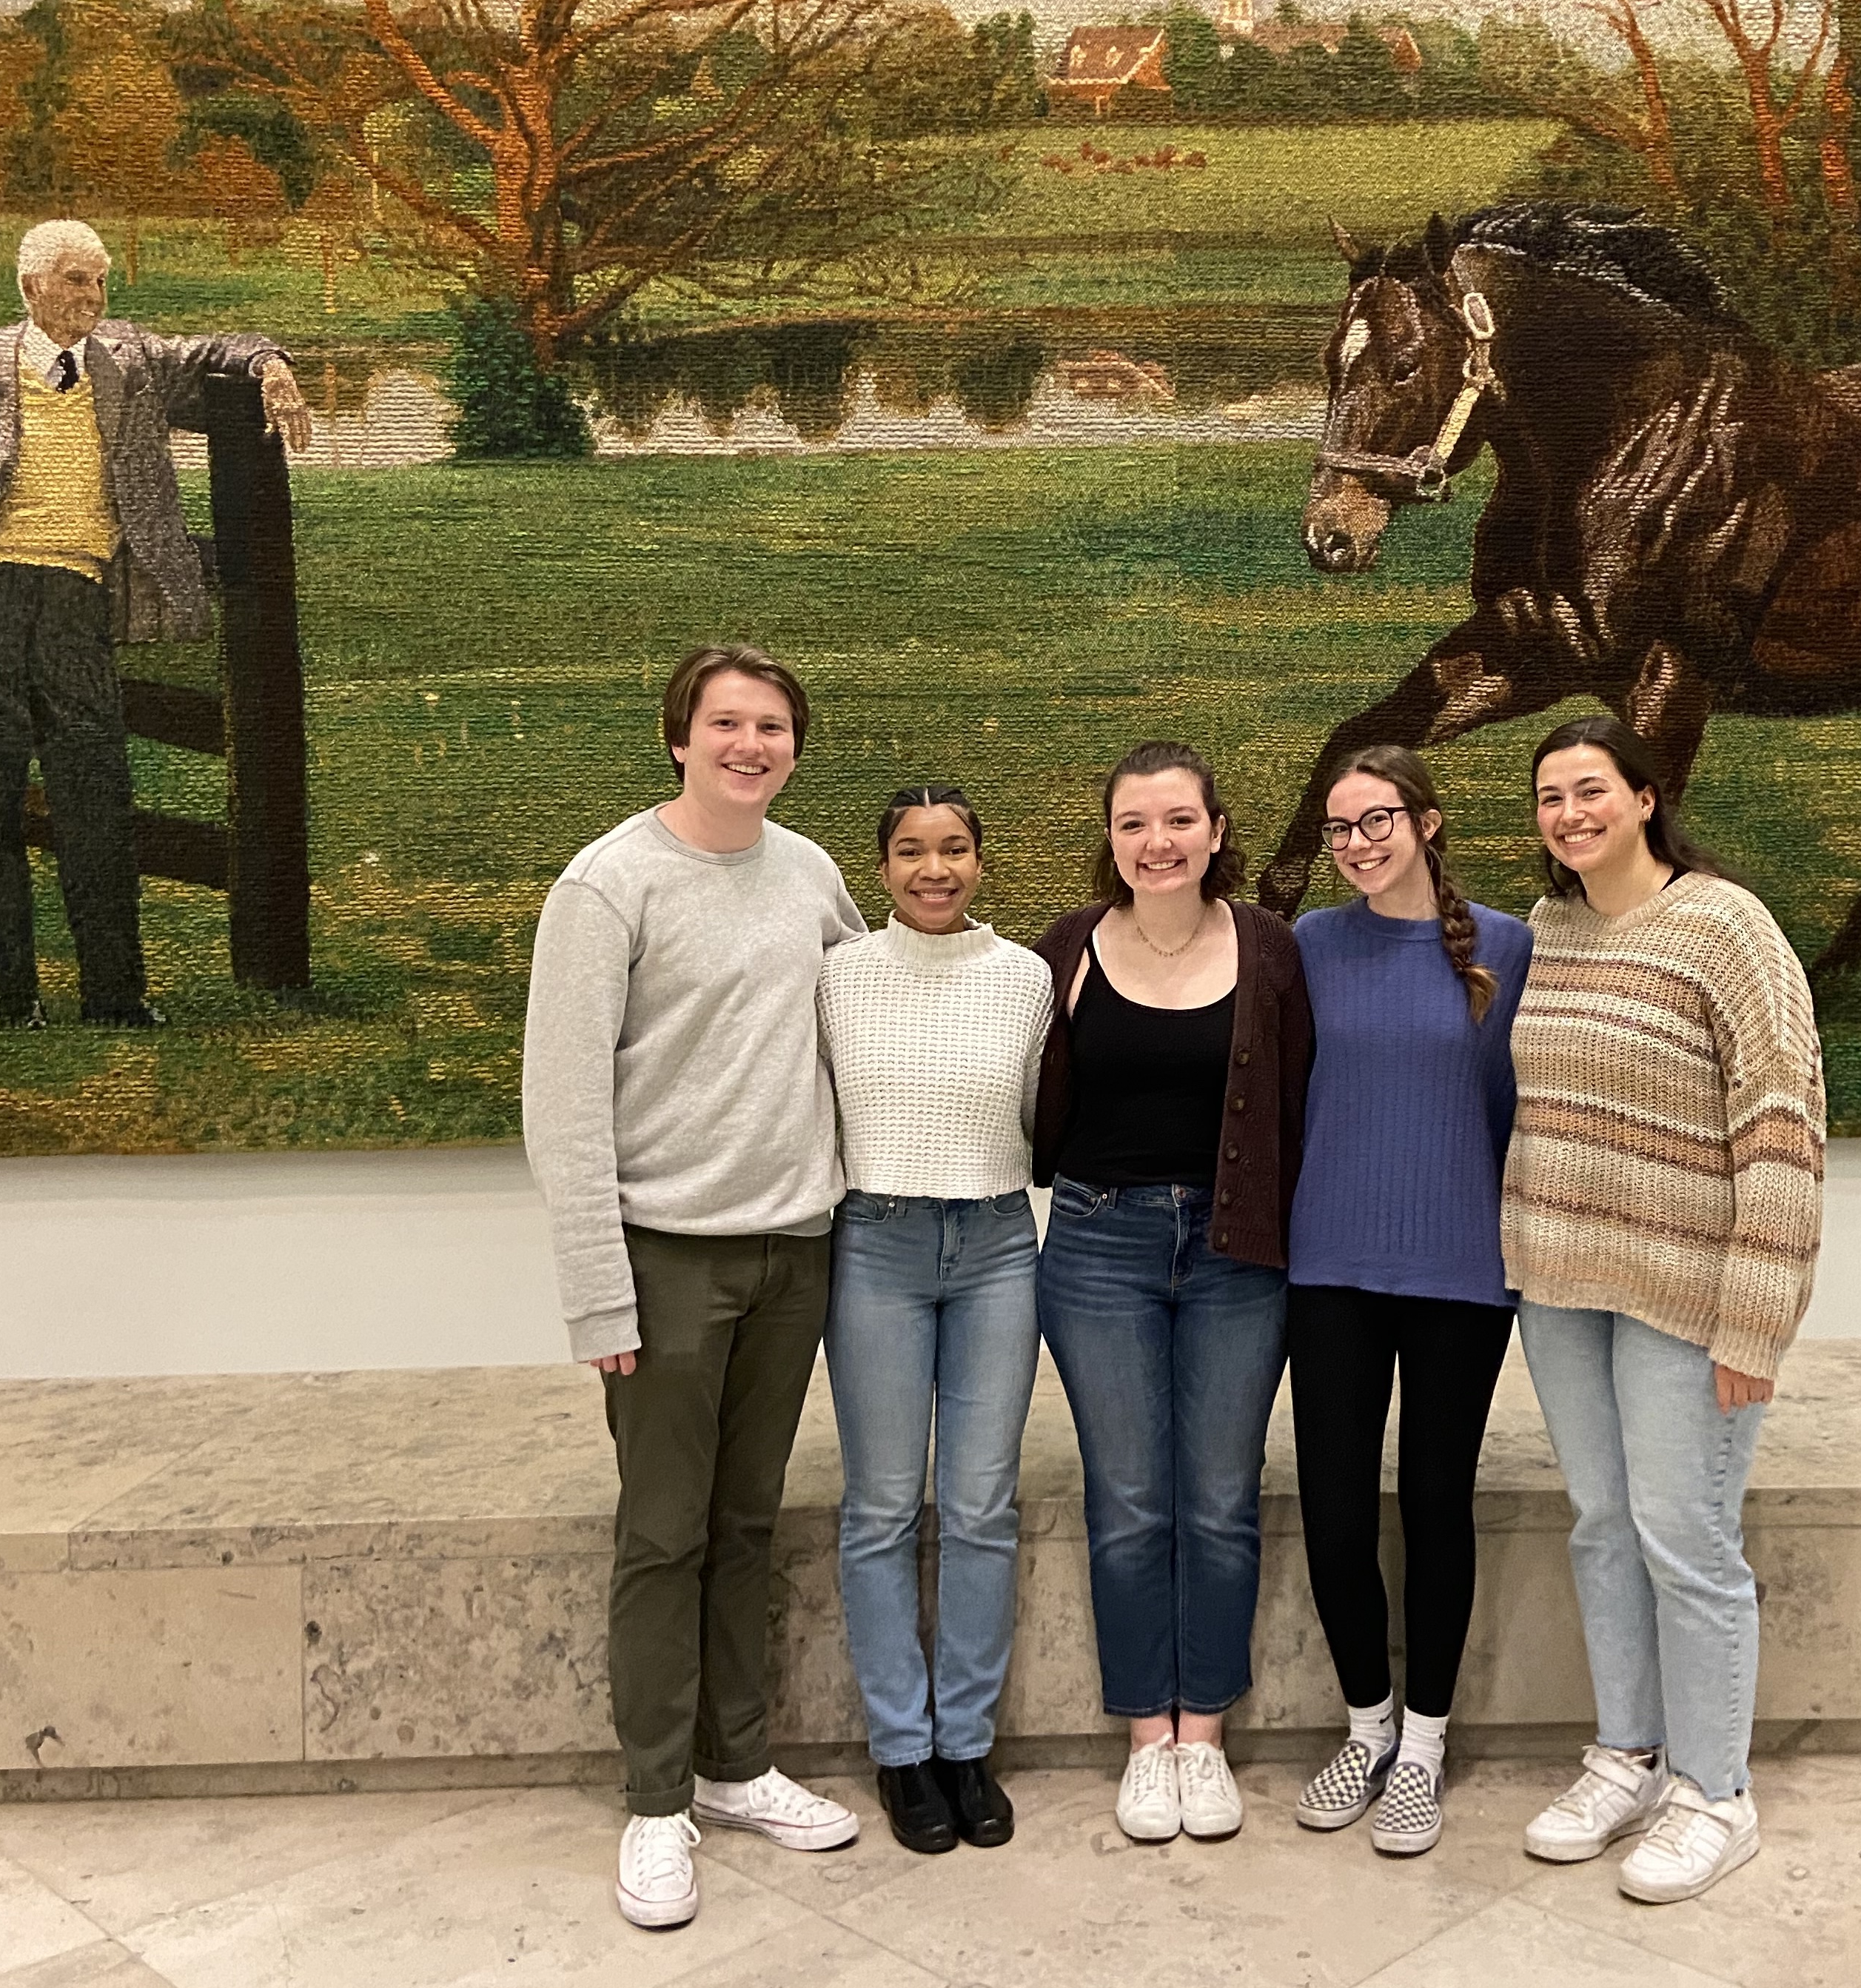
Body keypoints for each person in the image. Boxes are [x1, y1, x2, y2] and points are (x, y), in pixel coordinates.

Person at [522, 645, 870, 1931]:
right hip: (667, 1261)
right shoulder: (609, 886)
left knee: (744, 1523)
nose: (750, 745)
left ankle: (737, 1766)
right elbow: (561, 1109)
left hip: (796, 1255)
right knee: (662, 1535)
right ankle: (657, 1802)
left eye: (772, 726)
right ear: (678, 738)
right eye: (726, 723)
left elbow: (866, 1008)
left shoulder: (811, 873)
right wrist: (598, 1299)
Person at [1503, 714, 1825, 1906]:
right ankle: (1626, 1756)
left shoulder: (1727, 926)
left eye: (1589, 791)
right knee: (1600, 1521)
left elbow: (1782, 1122)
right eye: (1548, 798)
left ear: (1644, 796)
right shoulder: (1549, 929)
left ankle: (1713, 1790)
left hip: (1686, 1297)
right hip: (1561, 1286)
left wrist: (1757, 1317)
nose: (1569, 814)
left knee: (1684, 1538)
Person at [0, 218, 313, 1028]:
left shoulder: (129, 359)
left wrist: (272, 367)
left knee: (97, 801)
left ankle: (113, 999)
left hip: (75, 603)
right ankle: (18, 999)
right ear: (30, 287)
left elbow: (222, 346)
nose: (91, 296)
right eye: (76, 279)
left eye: (100, 280)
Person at [1031, 741, 1313, 1844]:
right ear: (1109, 839)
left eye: (1177, 821)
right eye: (1133, 823)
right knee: (1130, 1500)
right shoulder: (1063, 950)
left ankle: (1206, 1733)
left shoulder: (1270, 949)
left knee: (1218, 1498)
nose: (1157, 842)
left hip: (1236, 1251)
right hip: (1096, 1248)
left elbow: (1303, 1101)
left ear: (1214, 829)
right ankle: (1147, 1736)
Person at [1284, 746, 1533, 1858]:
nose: (1355, 845)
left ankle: (1423, 1746)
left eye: (1374, 820)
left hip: (1457, 1277)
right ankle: (1365, 1724)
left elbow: (1514, 1115)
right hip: (1328, 1265)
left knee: (1435, 1506)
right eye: (1337, 829)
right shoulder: (1307, 946)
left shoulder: (1507, 948)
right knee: (1334, 1511)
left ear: (1426, 822)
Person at [816, 785, 1053, 1855]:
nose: (933, 869)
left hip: (1000, 1244)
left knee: (978, 1504)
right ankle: (900, 1751)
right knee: (878, 1506)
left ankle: (965, 1743)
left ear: (980, 859)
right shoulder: (836, 977)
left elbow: (1048, 1116)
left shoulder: (1025, 979)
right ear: (880, 869)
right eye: (909, 850)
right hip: (876, 1245)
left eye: (954, 847)